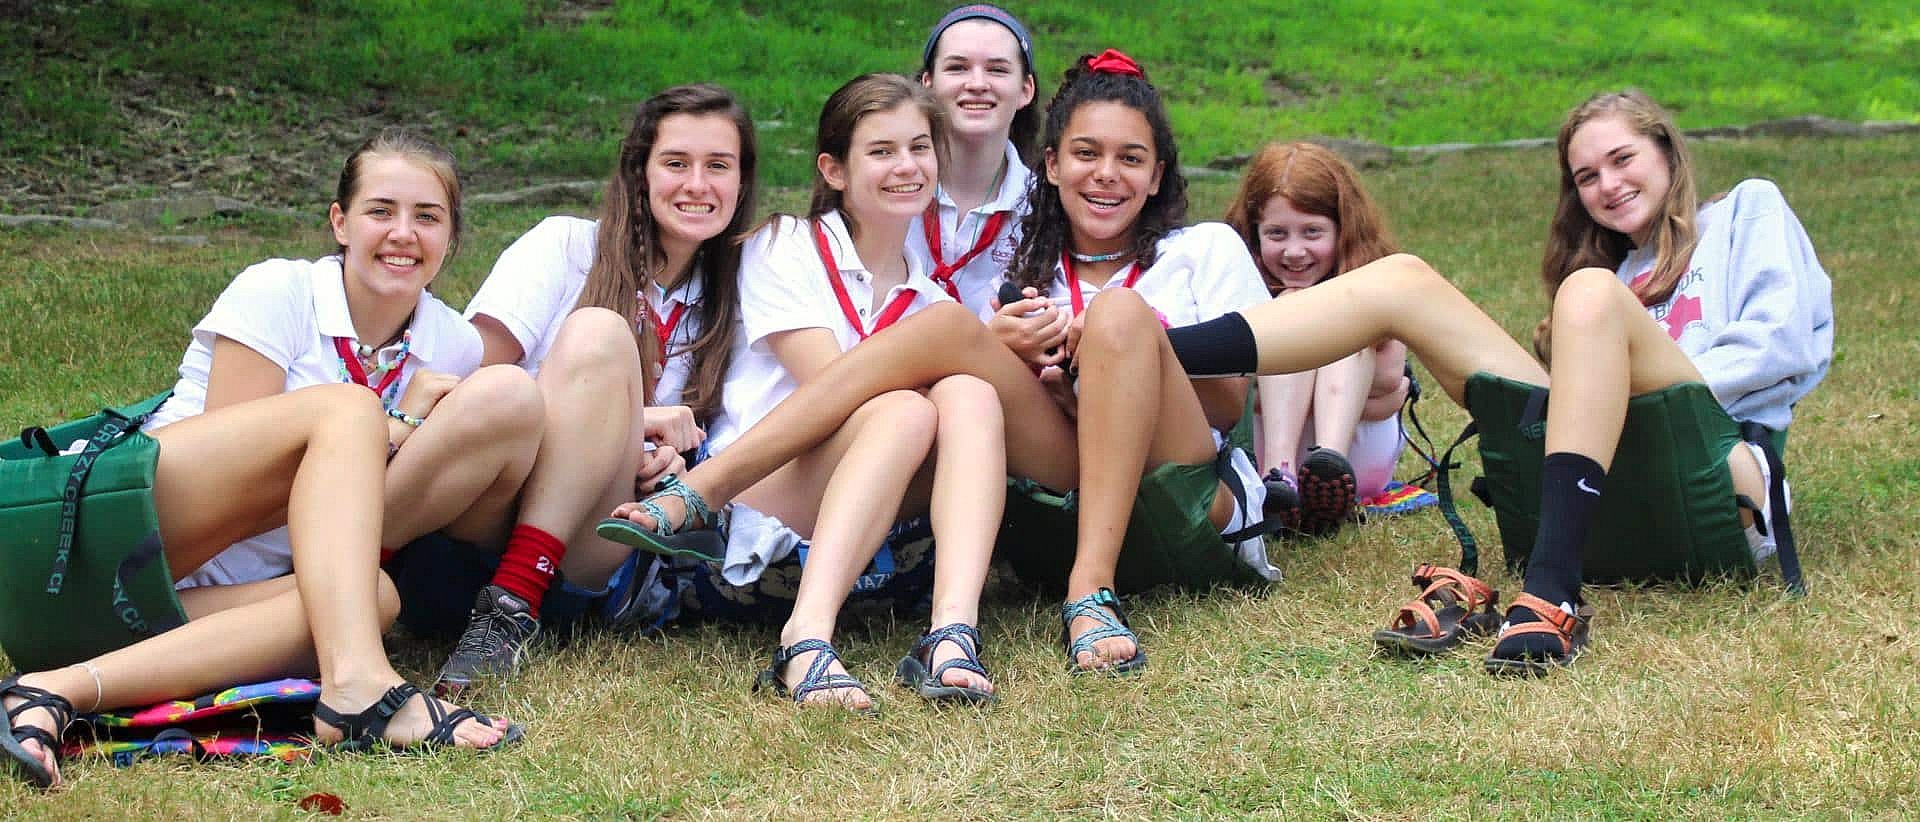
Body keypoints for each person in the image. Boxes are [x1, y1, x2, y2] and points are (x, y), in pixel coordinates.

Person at [604, 51, 1280, 678]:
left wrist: (1114, 368)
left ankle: (1087, 592)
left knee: (1109, 317)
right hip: (1059, 477)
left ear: (1158, 174)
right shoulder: (1021, 274)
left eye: (1131, 158)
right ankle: (951, 633)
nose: (1107, 173)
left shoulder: (1203, 248)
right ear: (1047, 165)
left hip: (1181, 484)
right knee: (960, 369)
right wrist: (1029, 366)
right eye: (1085, 153)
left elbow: (1228, 406)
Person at [1161, 90, 1832, 674]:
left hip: (1715, 482)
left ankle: (1552, 590)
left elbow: (1782, 342)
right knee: (1406, 280)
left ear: (1667, 151)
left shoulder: (1744, 213)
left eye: (1622, 159)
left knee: (1590, 293)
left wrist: (1608, 390)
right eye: (1586, 176)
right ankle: (1156, 349)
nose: (1607, 184)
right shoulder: (1614, 272)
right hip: (1606, 498)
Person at [2, 129, 527, 790]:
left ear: (451, 238)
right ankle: (360, 685)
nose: (403, 233)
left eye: (427, 217)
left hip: (163, 607)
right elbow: (243, 474)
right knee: (346, 410)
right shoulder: (279, 290)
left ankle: (51, 690)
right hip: (115, 538)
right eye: (380, 211)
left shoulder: (449, 341)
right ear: (340, 222)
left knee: (372, 597)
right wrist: (395, 424)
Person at [604, 74, 1009, 709]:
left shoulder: (930, 299)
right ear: (835, 169)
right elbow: (835, 388)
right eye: (881, 151)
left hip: (872, 503)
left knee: (972, 396)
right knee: (903, 408)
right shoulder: (785, 244)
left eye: (920, 147)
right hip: (761, 494)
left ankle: (951, 632)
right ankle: (806, 639)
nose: (906, 166)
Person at [422, 84, 755, 693]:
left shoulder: (737, 295)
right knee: (597, 334)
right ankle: (506, 600)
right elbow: (466, 388)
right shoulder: (565, 246)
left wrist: (670, 461)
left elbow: (735, 435)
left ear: (741, 181)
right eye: (676, 163)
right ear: (639, 172)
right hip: (487, 513)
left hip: (595, 541)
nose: (698, 185)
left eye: (719, 166)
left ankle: (511, 609)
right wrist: (625, 418)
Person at [1224, 141, 1410, 533]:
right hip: (1260, 452)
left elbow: (1391, 377)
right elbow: (1224, 388)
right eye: (1277, 234)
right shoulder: (1234, 291)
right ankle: (1280, 480)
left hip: (1360, 457)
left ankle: (1330, 472)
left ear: (1344, 230)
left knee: (1337, 317)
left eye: (1312, 232)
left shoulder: (1375, 284)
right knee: (1290, 310)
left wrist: (1275, 389)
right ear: (1253, 235)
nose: (1294, 251)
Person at [911, 3, 1038, 317]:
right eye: (957, 67)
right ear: (928, 84)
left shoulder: (1046, 205)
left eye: (997, 69)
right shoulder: (888, 187)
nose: (978, 84)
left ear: (1025, 89)